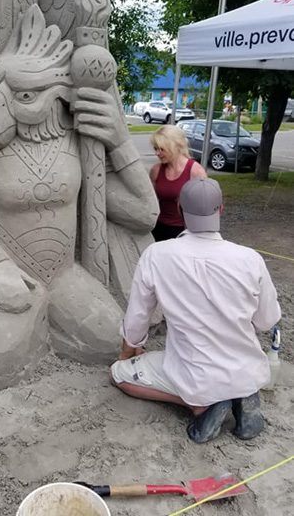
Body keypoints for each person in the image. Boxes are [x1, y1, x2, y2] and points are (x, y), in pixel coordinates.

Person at [109, 177, 281, 443]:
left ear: (179, 209)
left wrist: (128, 351)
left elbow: (137, 320)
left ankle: (200, 405)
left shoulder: (157, 254)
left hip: (194, 374)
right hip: (247, 370)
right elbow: (267, 320)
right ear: (221, 209)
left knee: (119, 376)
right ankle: (241, 395)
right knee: (226, 370)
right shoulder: (250, 258)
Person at [150, 125, 206, 241]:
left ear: (175, 146)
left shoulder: (196, 172)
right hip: (159, 230)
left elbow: (205, 209)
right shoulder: (156, 170)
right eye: (155, 149)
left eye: (161, 149)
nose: (157, 153)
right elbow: (150, 204)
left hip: (186, 232)